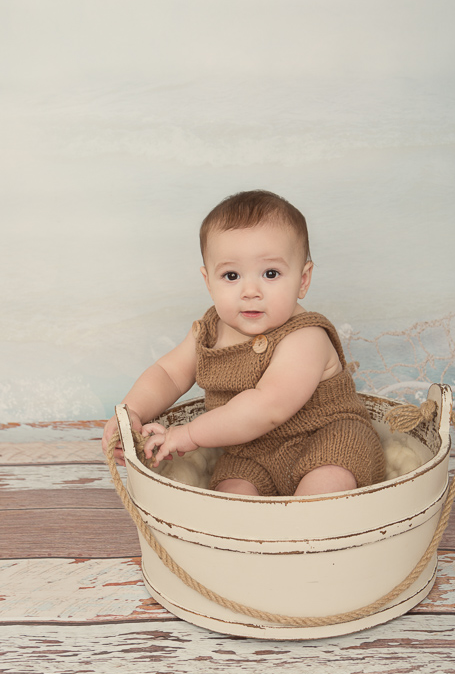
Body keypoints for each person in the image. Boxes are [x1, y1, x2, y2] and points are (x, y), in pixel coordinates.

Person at [101, 190, 385, 496]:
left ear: (303, 280)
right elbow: (168, 374)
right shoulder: (208, 332)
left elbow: (267, 406)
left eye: (271, 273)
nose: (250, 291)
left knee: (326, 482)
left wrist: (189, 434)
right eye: (231, 275)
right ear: (209, 282)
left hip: (326, 437)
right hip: (249, 451)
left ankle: (304, 521)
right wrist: (132, 411)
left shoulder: (306, 336)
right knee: (231, 495)